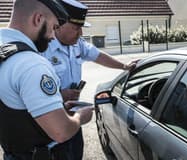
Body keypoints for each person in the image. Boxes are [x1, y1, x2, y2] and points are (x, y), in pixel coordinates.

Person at [41, 0, 138, 159]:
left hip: (74, 114)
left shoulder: (77, 44)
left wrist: (124, 66)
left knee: (76, 152)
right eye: (75, 28)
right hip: (53, 119)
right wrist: (60, 94)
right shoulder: (43, 48)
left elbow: (98, 56)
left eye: (81, 28)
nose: (80, 34)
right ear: (59, 25)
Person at [0, 0, 94, 160]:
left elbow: (18, 108)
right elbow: (61, 132)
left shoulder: (4, 49)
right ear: (38, 19)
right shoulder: (31, 64)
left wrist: (59, 108)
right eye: (54, 27)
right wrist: (80, 117)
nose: (52, 36)